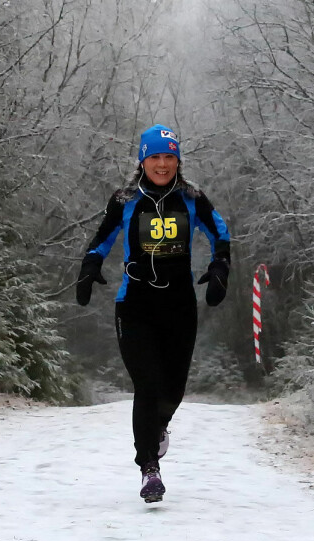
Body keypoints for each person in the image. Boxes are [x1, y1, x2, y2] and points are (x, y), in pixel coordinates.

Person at [75, 124, 231, 503]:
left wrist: (220, 267)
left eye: (169, 157)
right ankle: (149, 468)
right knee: (147, 385)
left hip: (179, 306)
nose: (162, 164)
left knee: (173, 389)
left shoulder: (193, 198)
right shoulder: (125, 199)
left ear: (178, 160)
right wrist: (89, 267)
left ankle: (157, 428)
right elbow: (102, 238)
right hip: (135, 305)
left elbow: (220, 234)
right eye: (155, 157)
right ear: (142, 160)